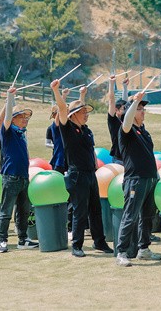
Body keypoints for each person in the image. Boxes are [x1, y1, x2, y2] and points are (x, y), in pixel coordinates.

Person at [50, 80, 112, 257]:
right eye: (83, 112)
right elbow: (63, 109)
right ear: (74, 115)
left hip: (91, 174)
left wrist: (82, 96)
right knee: (80, 211)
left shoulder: (86, 130)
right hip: (77, 175)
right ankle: (77, 245)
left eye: (86, 112)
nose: (86, 115)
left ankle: (99, 242)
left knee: (96, 210)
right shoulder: (67, 128)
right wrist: (56, 91)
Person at [115, 90, 161, 266]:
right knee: (130, 216)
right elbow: (126, 121)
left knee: (147, 217)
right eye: (139, 109)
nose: (143, 111)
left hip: (150, 178)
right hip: (135, 179)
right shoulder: (126, 130)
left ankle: (144, 249)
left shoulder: (144, 131)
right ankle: (122, 252)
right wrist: (134, 101)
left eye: (143, 109)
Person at [0, 87, 39, 253]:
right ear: (13, 119)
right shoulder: (7, 131)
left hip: (23, 177)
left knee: (23, 211)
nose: (25, 119)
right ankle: (3, 240)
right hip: (11, 177)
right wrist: (9, 97)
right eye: (21, 116)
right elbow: (5, 118)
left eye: (26, 117)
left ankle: (23, 239)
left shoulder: (21, 133)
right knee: (6, 211)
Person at [107, 75, 129, 165]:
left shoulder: (124, 118)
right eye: (123, 109)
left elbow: (125, 102)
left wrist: (125, 87)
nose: (126, 110)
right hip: (118, 159)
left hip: (127, 157)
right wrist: (111, 84)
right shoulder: (112, 120)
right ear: (116, 110)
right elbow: (111, 101)